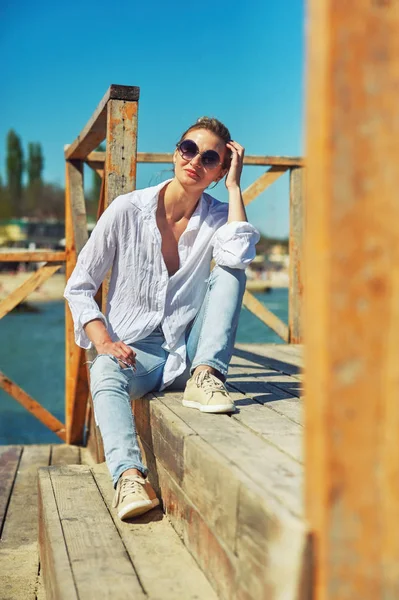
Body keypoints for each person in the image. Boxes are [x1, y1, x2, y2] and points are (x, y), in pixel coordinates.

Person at [64, 116, 260, 520]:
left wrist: (236, 187)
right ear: (176, 152)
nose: (195, 161)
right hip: (139, 353)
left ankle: (207, 375)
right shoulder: (127, 211)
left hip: (187, 349)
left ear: (221, 170)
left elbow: (240, 254)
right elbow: (79, 286)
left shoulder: (219, 215)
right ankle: (129, 478)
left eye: (210, 158)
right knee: (103, 370)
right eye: (189, 149)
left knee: (230, 263)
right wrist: (103, 341)